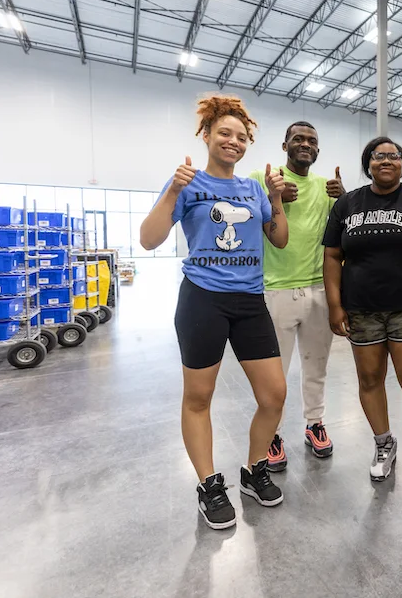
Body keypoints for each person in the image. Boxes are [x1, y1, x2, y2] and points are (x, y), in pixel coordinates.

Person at [140, 95, 290, 530]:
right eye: (225, 133)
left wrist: (276, 198)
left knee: (274, 394)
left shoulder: (252, 189)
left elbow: (278, 239)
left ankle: (253, 468)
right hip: (202, 300)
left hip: (249, 302)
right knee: (199, 398)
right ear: (206, 135)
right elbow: (149, 240)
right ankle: (209, 484)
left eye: (242, 137)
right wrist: (172, 189)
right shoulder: (187, 183)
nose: (234, 141)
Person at [322, 137, 402, 500]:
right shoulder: (348, 203)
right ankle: (384, 443)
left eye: (394, 156)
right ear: (368, 164)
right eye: (378, 156)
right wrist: (335, 305)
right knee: (369, 379)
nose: (386, 161)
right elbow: (332, 255)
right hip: (361, 308)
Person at [248, 121, 344, 471]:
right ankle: (271, 432)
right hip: (276, 288)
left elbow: (342, 231)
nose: (305, 144)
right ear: (284, 144)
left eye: (312, 141)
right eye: (298, 139)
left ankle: (314, 423)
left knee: (316, 365)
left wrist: (344, 195)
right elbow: (243, 213)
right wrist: (271, 196)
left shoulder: (326, 187)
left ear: (317, 150)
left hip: (318, 288)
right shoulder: (263, 176)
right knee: (274, 372)